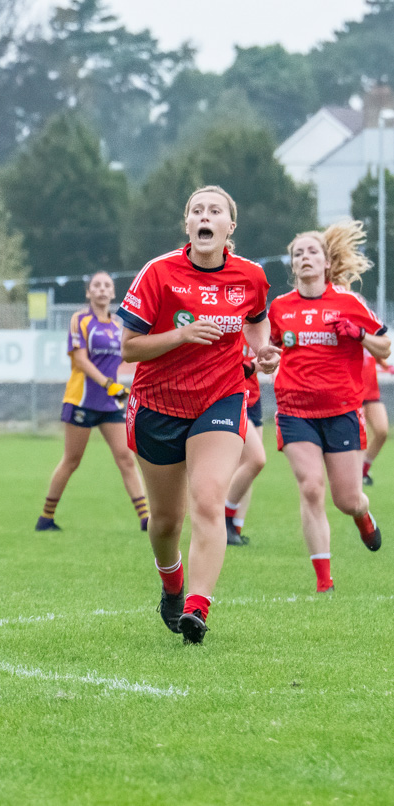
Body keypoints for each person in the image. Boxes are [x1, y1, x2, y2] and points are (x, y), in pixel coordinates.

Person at [117, 185, 279, 645]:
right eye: (196, 210)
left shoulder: (251, 276)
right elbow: (129, 347)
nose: (205, 216)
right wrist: (180, 337)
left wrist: (261, 350)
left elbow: (256, 319)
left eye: (215, 211)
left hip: (221, 397)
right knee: (165, 523)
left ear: (230, 227)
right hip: (158, 404)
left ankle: (197, 608)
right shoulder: (159, 273)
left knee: (208, 499)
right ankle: (172, 584)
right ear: (187, 224)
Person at [268, 221, 390, 593]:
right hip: (294, 410)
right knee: (310, 487)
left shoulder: (349, 303)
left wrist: (359, 335)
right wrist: (266, 361)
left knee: (347, 499)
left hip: (341, 411)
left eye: (312, 251)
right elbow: (270, 350)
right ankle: (325, 582)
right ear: (293, 266)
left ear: (326, 262)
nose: (305, 258)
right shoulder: (280, 308)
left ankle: (362, 514)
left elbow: (384, 348)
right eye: (298, 253)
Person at [36, 271, 149, 533]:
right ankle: (46, 518)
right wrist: (110, 385)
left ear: (113, 293)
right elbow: (81, 360)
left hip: (110, 403)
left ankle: (145, 519)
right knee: (72, 460)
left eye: (106, 285)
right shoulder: (80, 320)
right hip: (81, 400)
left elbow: (125, 358)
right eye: (96, 286)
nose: (101, 289)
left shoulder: (118, 327)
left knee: (126, 458)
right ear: (88, 293)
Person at [223, 347, 267, 546]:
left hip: (253, 397)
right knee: (256, 460)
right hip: (231, 395)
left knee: (248, 469)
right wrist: (251, 366)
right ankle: (223, 517)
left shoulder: (258, 321)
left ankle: (235, 528)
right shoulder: (228, 319)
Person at [361, 353, 389, 485]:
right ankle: (353, 472)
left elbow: (379, 354)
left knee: (382, 431)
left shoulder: (371, 336)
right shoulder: (349, 334)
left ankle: (363, 468)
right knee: (358, 436)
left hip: (371, 393)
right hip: (353, 393)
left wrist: (387, 366)